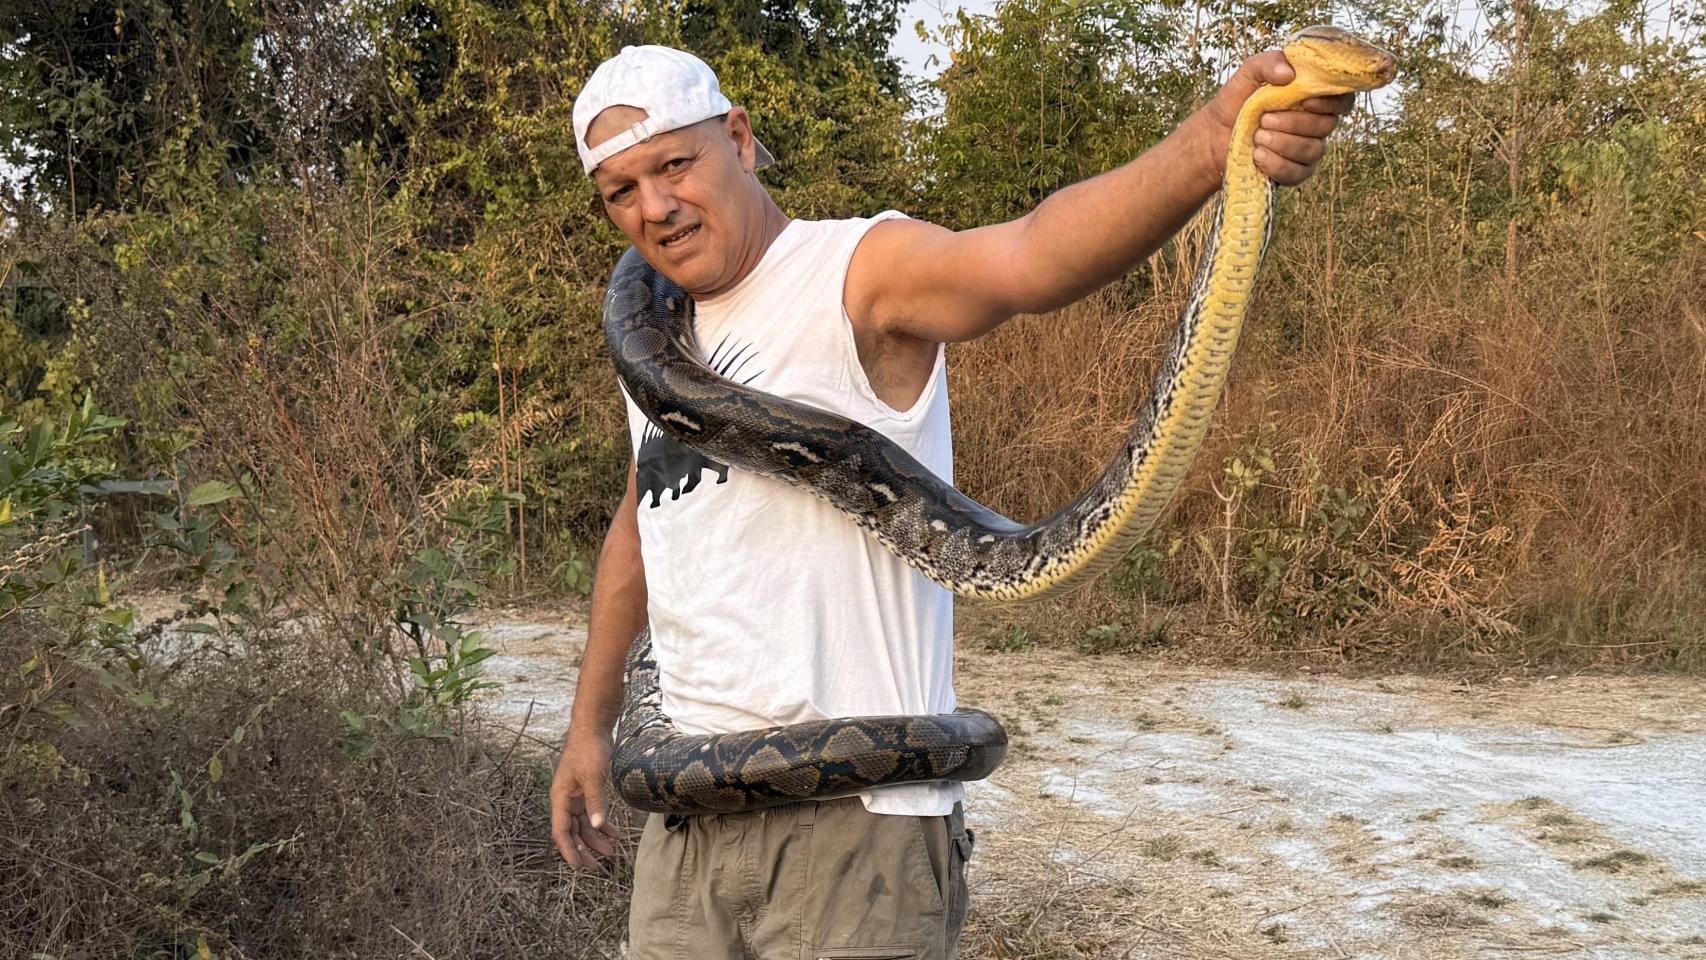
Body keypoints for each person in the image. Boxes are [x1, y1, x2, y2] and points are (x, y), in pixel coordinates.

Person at [550, 42, 1351, 960]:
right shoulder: (654, 343)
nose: (654, 206)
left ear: (739, 138)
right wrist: (590, 725)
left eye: (674, 165)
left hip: (849, 838)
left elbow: (1027, 259)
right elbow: (645, 518)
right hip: (685, 838)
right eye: (621, 191)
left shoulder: (856, 270)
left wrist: (1207, 149)